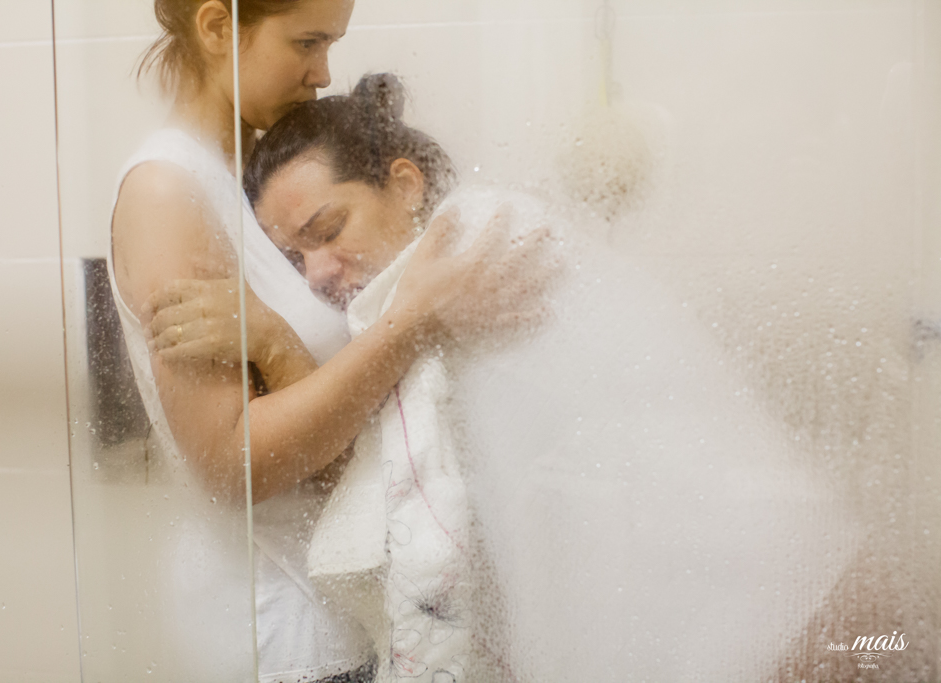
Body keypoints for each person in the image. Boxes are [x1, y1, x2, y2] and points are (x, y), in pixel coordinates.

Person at [151, 72, 858, 682]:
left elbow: (364, 492)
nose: (317, 275)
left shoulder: (479, 248)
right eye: (295, 258)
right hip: (751, 576)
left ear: (405, 183)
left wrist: (275, 342)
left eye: (329, 229)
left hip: (765, 592)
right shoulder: (437, 286)